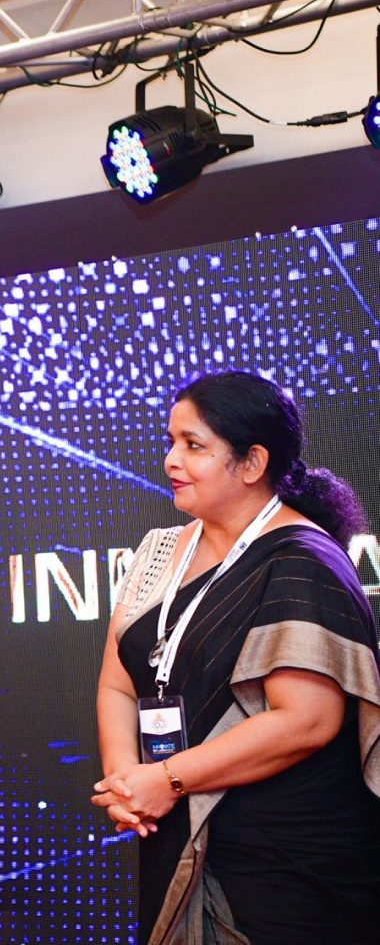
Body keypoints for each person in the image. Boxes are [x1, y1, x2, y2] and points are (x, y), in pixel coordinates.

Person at [93, 370, 380, 944]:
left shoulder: (302, 559)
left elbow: (307, 721)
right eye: (171, 441)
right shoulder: (158, 551)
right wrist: (127, 783)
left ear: (252, 463)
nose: (172, 460)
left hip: (284, 860)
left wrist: (167, 779)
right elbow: (118, 684)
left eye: (193, 445)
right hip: (176, 827)